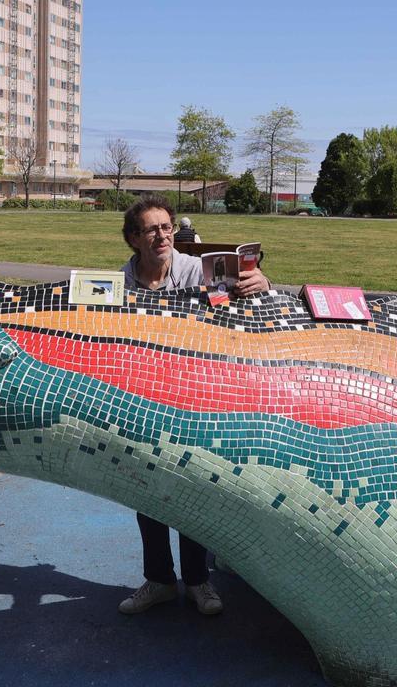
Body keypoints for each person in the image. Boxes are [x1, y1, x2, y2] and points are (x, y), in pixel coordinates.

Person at [116, 196, 269, 617]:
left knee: (194, 485)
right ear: (134, 239)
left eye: (166, 227)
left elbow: (242, 310)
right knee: (145, 487)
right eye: (151, 229)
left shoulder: (191, 269)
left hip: (194, 392)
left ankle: (199, 580)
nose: (163, 235)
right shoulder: (120, 282)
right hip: (143, 394)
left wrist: (263, 284)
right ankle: (160, 581)